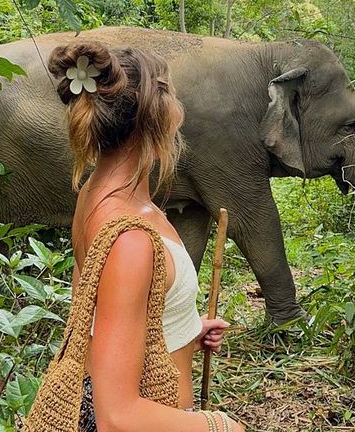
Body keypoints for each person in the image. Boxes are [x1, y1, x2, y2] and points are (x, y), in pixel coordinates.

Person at [45, 40, 246, 432]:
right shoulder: (131, 238)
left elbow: (107, 314)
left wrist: (182, 328)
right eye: (169, 91)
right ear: (152, 116)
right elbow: (117, 417)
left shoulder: (95, 194)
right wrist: (221, 426)